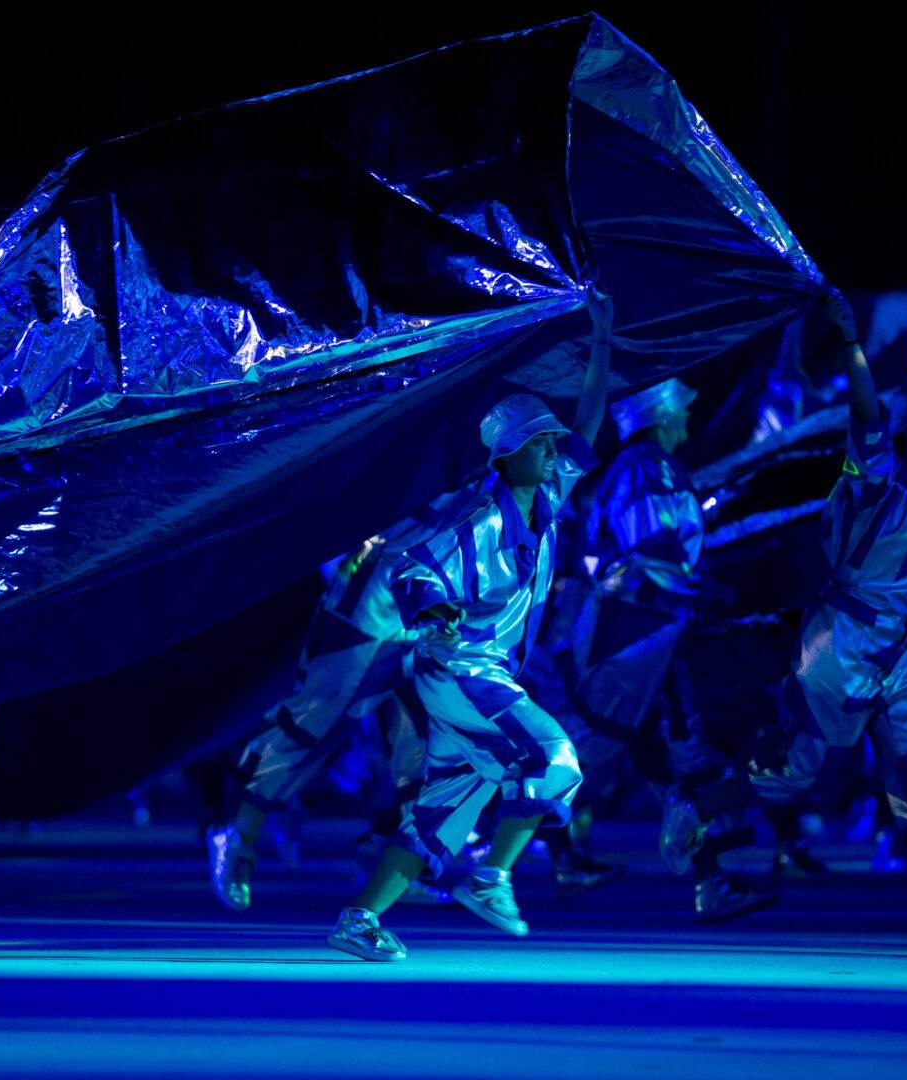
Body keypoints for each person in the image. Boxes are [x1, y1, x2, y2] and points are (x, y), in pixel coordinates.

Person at [663, 289, 907, 938]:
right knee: (795, 771)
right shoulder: (878, 477)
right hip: (840, 643)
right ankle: (700, 802)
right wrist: (854, 346)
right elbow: (865, 416)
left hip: (899, 650)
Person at [328, 289, 611, 962]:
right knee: (554, 757)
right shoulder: (476, 518)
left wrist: (601, 344)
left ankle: (359, 920)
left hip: (480, 674)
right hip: (458, 669)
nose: (551, 450)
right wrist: (433, 610)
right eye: (539, 443)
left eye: (550, 442)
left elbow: (591, 424)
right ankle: (492, 877)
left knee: (442, 811)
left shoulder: (545, 498)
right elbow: (412, 568)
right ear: (507, 453)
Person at [563, 376, 786, 921]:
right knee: (682, 744)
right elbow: (655, 553)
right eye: (681, 410)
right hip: (648, 635)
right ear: (659, 417)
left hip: (642, 632)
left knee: (653, 754)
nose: (688, 418)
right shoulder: (647, 469)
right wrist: (709, 589)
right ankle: (461, 846)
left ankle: (708, 876)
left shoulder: (639, 468)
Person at [206, 533, 441, 912]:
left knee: (429, 725)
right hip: (378, 577)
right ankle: (238, 830)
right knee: (321, 708)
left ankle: (396, 852)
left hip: (445, 576)